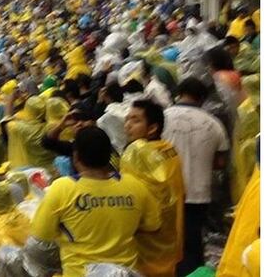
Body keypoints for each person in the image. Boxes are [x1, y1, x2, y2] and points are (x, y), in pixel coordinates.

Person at [28, 127, 161, 276]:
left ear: (76, 156)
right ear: (108, 155)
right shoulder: (135, 186)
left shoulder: (61, 189)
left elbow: (41, 238)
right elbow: (152, 226)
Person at [161, 77, 230, 275]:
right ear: (202, 98)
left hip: (168, 192)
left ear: (179, 93)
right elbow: (220, 163)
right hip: (199, 193)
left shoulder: (163, 117)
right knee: (193, 242)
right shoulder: (214, 124)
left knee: (168, 242)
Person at [121, 98, 185, 277]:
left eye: (136, 120)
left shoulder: (137, 152)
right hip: (171, 234)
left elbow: (130, 195)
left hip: (146, 241)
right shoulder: (169, 148)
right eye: (127, 119)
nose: (128, 125)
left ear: (152, 128)